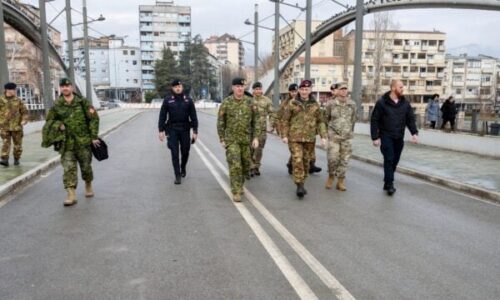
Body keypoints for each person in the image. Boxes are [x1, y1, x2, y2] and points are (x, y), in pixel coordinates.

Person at [43, 78, 100, 206]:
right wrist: (59, 124)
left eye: (67, 86)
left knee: (86, 167)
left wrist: (94, 136)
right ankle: (71, 194)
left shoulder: (82, 102)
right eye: (62, 86)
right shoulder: (57, 105)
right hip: (66, 144)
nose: (65, 88)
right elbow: (49, 121)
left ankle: (88, 184)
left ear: (72, 88)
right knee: (68, 169)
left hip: (83, 142)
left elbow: (94, 119)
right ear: (60, 88)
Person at [371, 80, 418, 196]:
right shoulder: (382, 103)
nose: (403, 89)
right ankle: (390, 184)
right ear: (393, 88)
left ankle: (387, 181)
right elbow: (374, 120)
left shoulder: (405, 104)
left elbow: (410, 119)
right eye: (400, 87)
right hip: (386, 135)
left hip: (399, 137)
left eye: (403, 87)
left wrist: (414, 133)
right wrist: (375, 137)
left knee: (395, 160)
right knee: (389, 158)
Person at [217, 78, 260, 202]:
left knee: (245, 165)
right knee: (235, 164)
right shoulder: (226, 103)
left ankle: (240, 184)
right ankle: (235, 191)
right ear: (233, 88)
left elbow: (256, 121)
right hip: (231, 140)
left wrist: (256, 137)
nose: (239, 88)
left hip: (246, 140)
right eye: (237, 86)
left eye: (241, 86)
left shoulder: (250, 102)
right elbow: (220, 122)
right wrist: (222, 138)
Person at [281, 80, 327, 199]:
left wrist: (323, 137)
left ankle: (302, 181)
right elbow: (285, 120)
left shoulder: (316, 105)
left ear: (310, 90)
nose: (304, 91)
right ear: (299, 90)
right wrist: (284, 135)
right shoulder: (292, 104)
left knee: (306, 162)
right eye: (302, 89)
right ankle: (299, 185)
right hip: (294, 138)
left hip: (309, 139)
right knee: (297, 159)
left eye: (307, 89)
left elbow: (321, 122)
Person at [158, 79, 198, 185]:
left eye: (179, 86)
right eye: (175, 87)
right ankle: (177, 175)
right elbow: (162, 115)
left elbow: (193, 116)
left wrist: (195, 131)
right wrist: (161, 130)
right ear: (172, 88)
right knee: (174, 153)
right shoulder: (168, 100)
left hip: (185, 129)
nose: (178, 88)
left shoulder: (188, 100)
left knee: (185, 151)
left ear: (182, 87)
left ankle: (183, 167)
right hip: (172, 130)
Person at [324, 83, 357, 191]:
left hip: (347, 136)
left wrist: (349, 131)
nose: (343, 91)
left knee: (345, 160)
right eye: (341, 89)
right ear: (337, 91)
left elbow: (353, 119)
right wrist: (327, 133)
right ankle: (331, 176)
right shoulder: (331, 104)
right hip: (334, 136)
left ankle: (341, 181)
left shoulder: (352, 104)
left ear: (347, 91)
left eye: (345, 89)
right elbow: (326, 118)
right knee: (332, 158)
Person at [250, 81, 276, 176]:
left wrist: (271, 124)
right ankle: (251, 166)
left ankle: (256, 166)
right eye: (256, 89)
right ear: (253, 90)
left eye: (260, 89)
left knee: (259, 149)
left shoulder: (267, 100)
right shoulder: (249, 100)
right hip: (250, 129)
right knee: (250, 149)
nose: (258, 91)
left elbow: (272, 113)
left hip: (262, 130)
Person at [0, 82, 28, 166]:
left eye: (14, 89)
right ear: (7, 90)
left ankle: (16, 158)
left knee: (17, 145)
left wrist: (24, 120)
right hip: (4, 127)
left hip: (17, 127)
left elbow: (24, 112)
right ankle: (5, 159)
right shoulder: (1, 100)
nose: (14, 91)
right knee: (5, 143)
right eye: (13, 89)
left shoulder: (18, 100)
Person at [277, 83, 299, 174]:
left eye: (296, 91)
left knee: (298, 150)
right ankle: (292, 166)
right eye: (292, 91)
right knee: (294, 150)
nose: (294, 93)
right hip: (289, 131)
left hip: (300, 130)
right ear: (289, 92)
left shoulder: (301, 101)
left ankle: (291, 164)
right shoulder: (285, 104)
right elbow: (279, 117)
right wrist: (281, 131)